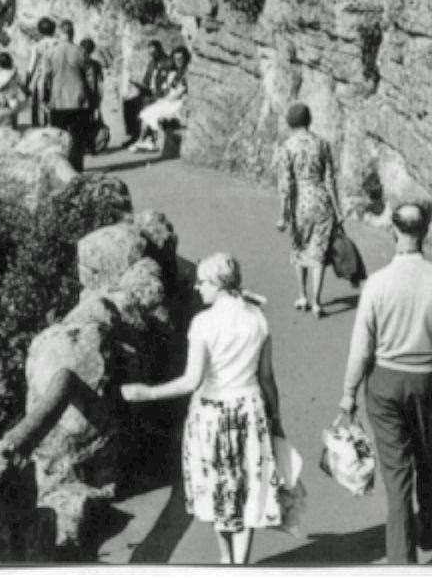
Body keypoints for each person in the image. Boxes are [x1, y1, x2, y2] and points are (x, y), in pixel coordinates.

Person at [337, 203, 432, 564]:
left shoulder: (377, 285)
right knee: (428, 454)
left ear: (393, 231)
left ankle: (402, 561)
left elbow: (361, 349)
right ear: (426, 233)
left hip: (386, 384)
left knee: (398, 474)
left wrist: (348, 395)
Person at [121, 253, 286, 566]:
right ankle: (241, 562)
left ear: (219, 284)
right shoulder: (257, 318)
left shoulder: (203, 323)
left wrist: (147, 392)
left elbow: (191, 381)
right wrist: (276, 418)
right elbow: (267, 378)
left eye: (202, 282)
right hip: (249, 409)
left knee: (216, 488)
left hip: (211, 414)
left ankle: (226, 558)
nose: (197, 288)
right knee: (246, 487)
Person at [274, 104, 342, 318]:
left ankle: (302, 296)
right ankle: (317, 302)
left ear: (289, 122)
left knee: (299, 249)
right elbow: (330, 179)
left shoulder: (287, 146)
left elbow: (285, 184)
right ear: (309, 119)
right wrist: (338, 210)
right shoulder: (322, 144)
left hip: (299, 204)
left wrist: (283, 215)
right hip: (321, 201)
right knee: (318, 252)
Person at [29, 20, 90, 167]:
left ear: (60, 33)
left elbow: (44, 78)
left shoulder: (51, 52)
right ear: (72, 33)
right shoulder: (81, 51)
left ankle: (63, 167)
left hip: (57, 100)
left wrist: (43, 99)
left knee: (59, 136)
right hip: (78, 99)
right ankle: (77, 166)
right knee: (77, 135)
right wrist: (92, 100)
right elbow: (90, 77)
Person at [135, 46, 190, 152]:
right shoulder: (174, 73)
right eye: (176, 59)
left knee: (151, 110)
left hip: (178, 102)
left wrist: (163, 98)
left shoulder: (186, 73)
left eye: (180, 58)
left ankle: (147, 140)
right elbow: (166, 88)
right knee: (147, 110)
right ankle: (145, 140)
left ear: (185, 59)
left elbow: (179, 92)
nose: (178, 61)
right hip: (170, 100)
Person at [124, 40, 168, 149]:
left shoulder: (167, 62)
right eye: (150, 53)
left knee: (146, 103)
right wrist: (139, 85)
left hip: (159, 93)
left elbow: (167, 83)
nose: (152, 55)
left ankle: (145, 137)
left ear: (160, 50)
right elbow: (146, 80)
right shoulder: (151, 63)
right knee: (128, 103)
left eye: (154, 53)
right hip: (149, 91)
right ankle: (134, 134)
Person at [79, 37, 107, 154]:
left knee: (82, 121)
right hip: (92, 96)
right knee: (91, 120)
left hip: (83, 96)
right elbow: (100, 82)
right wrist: (100, 98)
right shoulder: (96, 64)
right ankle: (91, 145)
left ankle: (86, 145)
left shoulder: (79, 63)